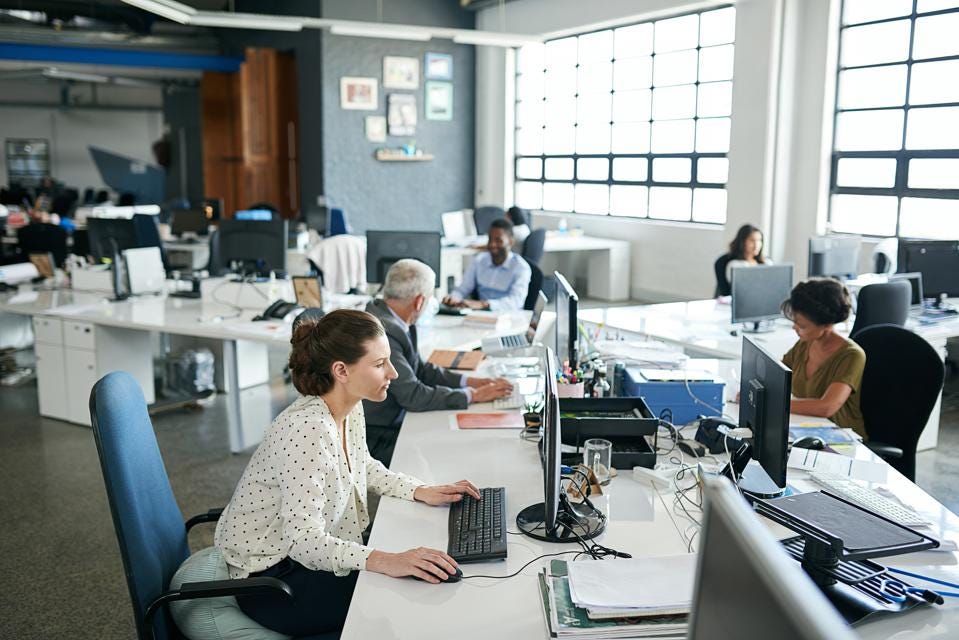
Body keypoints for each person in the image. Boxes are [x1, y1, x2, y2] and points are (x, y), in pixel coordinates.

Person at [214, 309, 482, 637]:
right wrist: (386, 560)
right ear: (341, 370)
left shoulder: (349, 406)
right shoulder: (308, 430)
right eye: (380, 363)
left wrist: (418, 489)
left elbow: (361, 464)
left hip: (310, 555)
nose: (394, 373)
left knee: (423, 569)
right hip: (273, 580)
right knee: (407, 602)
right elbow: (303, 541)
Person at [364, 259, 512, 464]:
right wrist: (473, 396)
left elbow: (422, 370)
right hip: (379, 435)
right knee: (452, 451)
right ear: (419, 301)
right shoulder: (384, 332)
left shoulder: (395, 318)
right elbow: (413, 396)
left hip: (396, 421)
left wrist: (469, 382)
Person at [780, 278, 866, 437]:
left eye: (802, 325)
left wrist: (776, 404)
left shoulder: (851, 355)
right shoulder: (806, 342)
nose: (795, 328)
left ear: (826, 324)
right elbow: (776, 374)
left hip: (839, 438)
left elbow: (826, 407)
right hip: (807, 429)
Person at [442, 218, 532, 311]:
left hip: (509, 316)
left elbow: (516, 302)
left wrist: (485, 304)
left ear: (510, 242)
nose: (492, 244)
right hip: (481, 315)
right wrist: (453, 297)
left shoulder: (521, 267)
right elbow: (463, 289)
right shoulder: (479, 260)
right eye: (490, 239)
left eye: (498, 240)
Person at [716, 224, 771, 296]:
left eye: (759, 240)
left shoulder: (767, 262)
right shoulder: (735, 265)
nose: (756, 245)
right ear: (742, 242)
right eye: (752, 240)